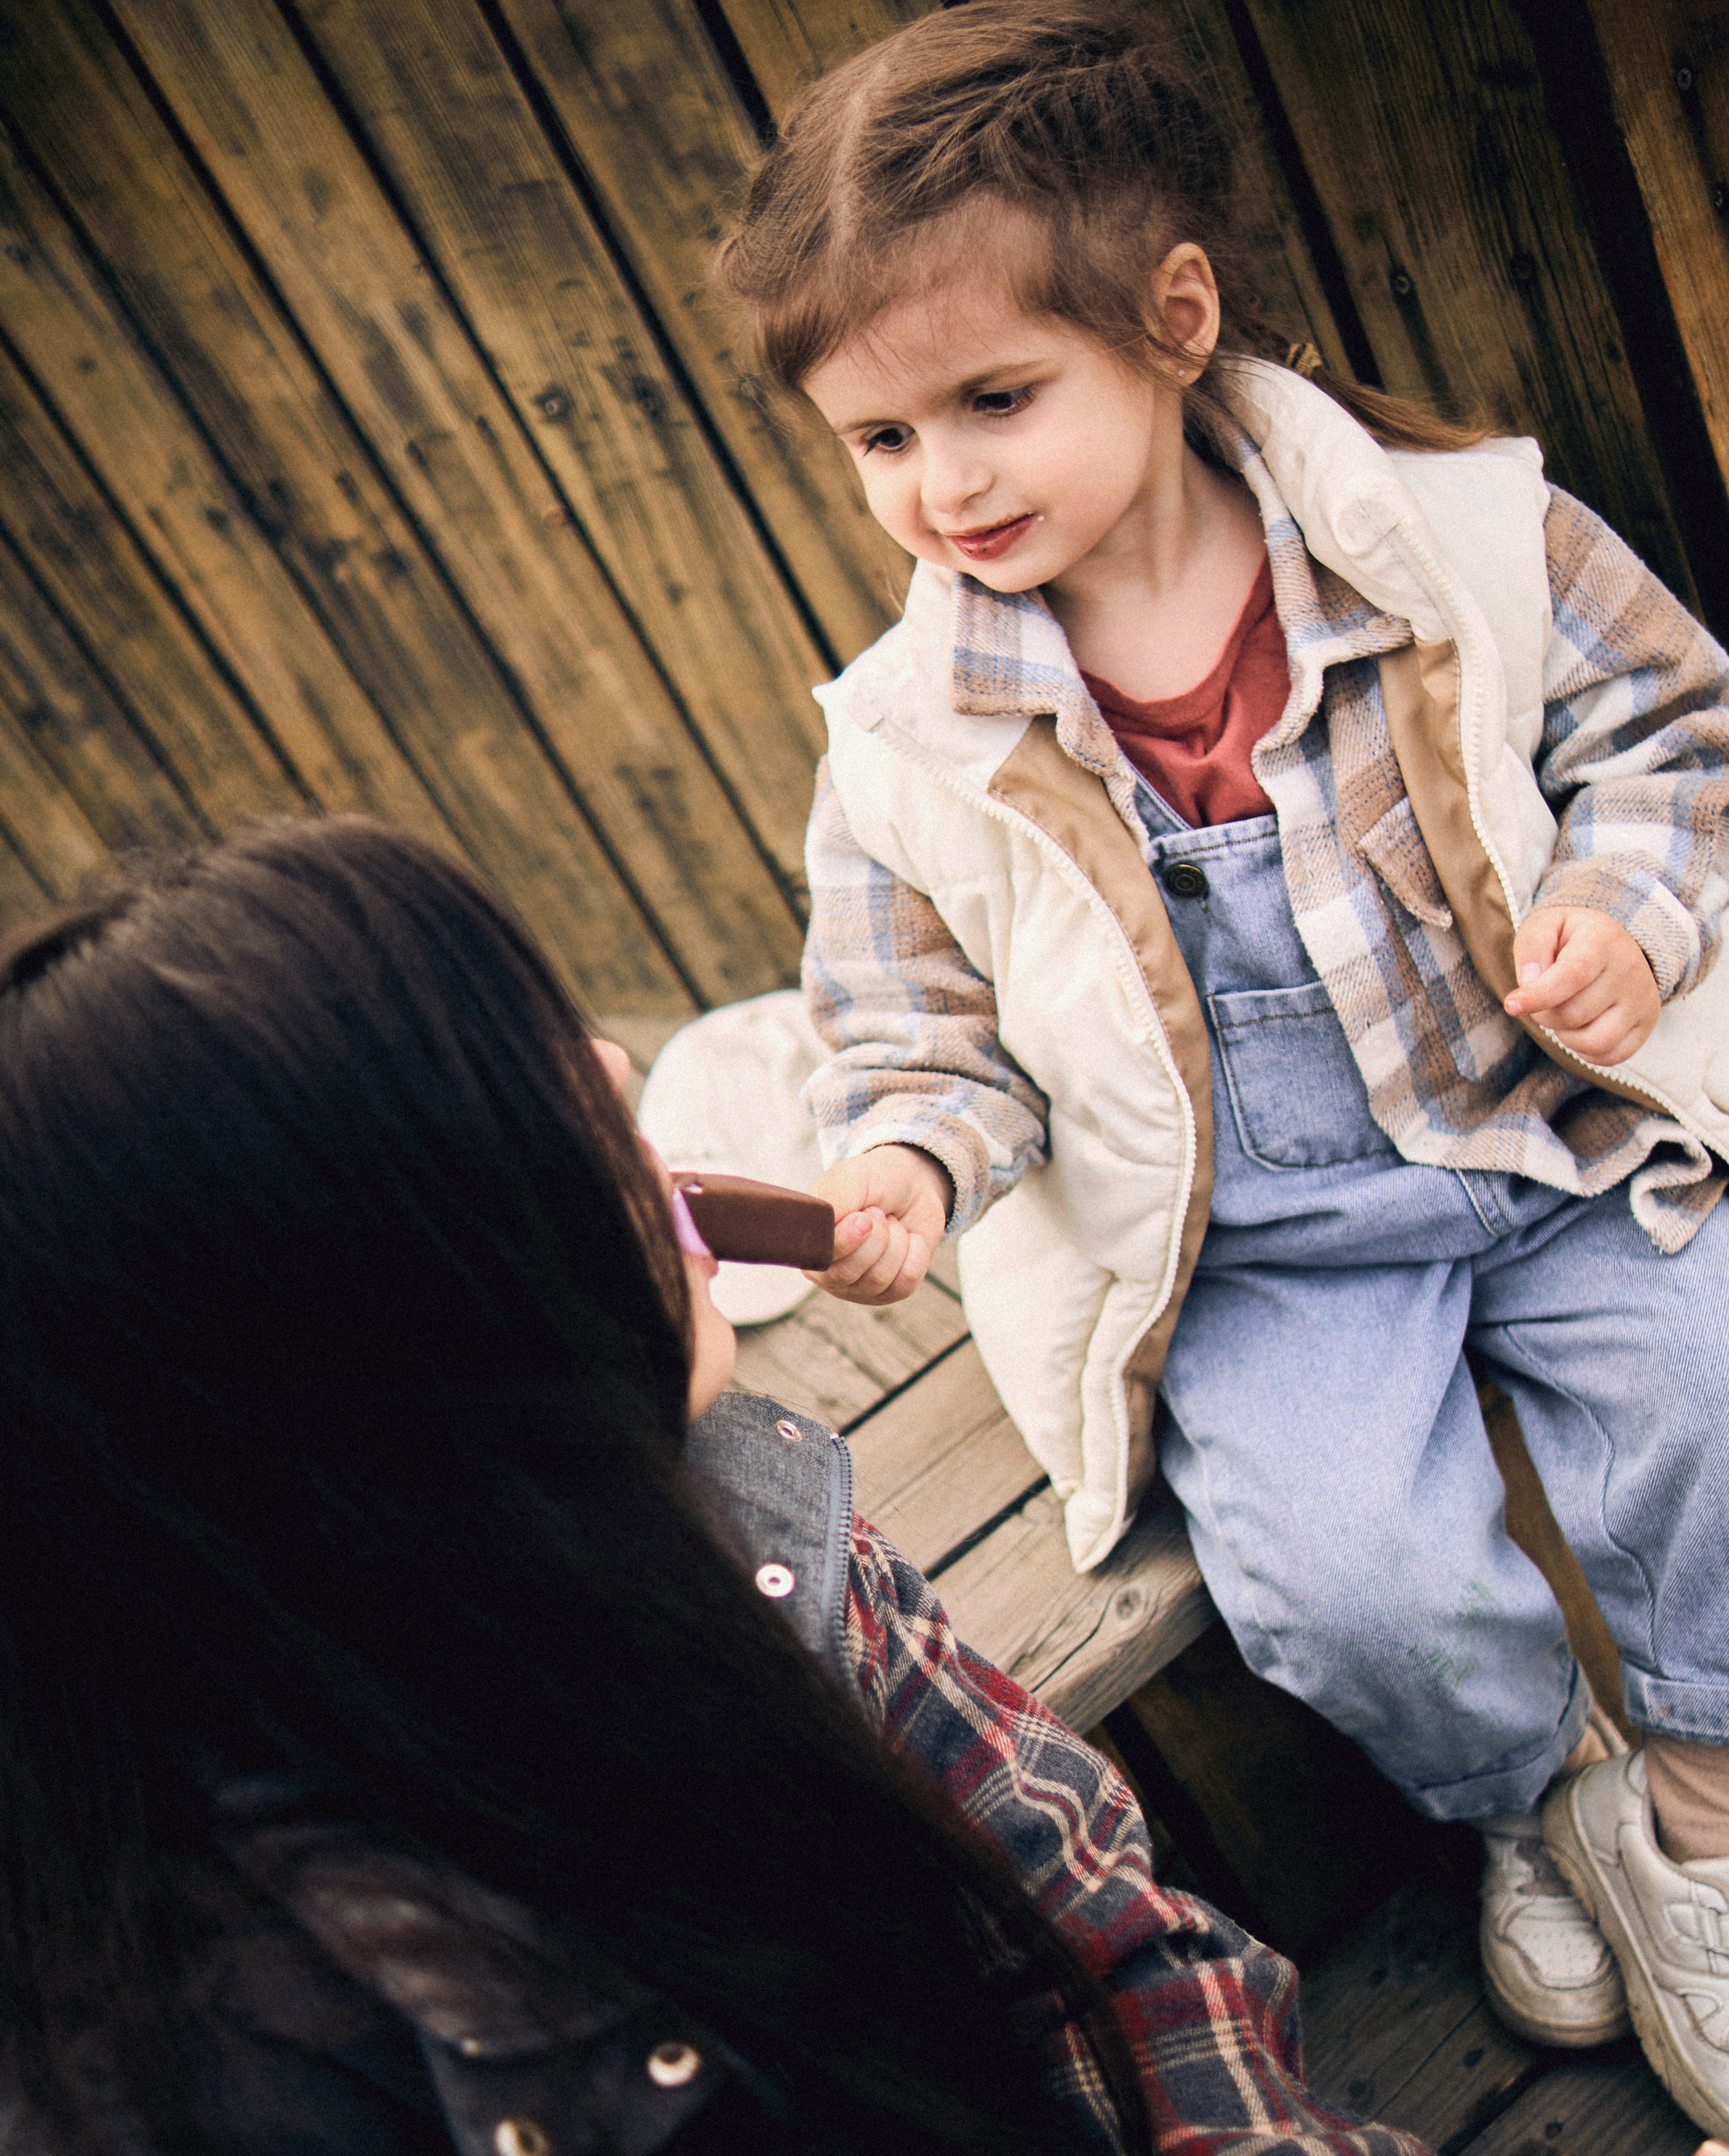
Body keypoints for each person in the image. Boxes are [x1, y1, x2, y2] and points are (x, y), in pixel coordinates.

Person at [713, 0, 1729, 2133]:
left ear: (1172, 322)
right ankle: (1543, 1800)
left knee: (1715, 1390)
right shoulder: (912, 744)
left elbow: (1672, 737)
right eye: (881, 442)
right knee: (1343, 1575)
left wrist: (1631, 915)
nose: (944, 483)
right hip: (1254, 1244)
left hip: (1541, 1134)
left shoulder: (1461, 539)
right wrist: (912, 1159)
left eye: (996, 398)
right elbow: (919, 1029)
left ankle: (1704, 1801)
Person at [0, 814, 1440, 2155]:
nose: (614, 1070)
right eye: (502, 1071)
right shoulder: (245, 2051)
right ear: (365, 1331)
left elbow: (1100, 1942)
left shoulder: (749, 1523)